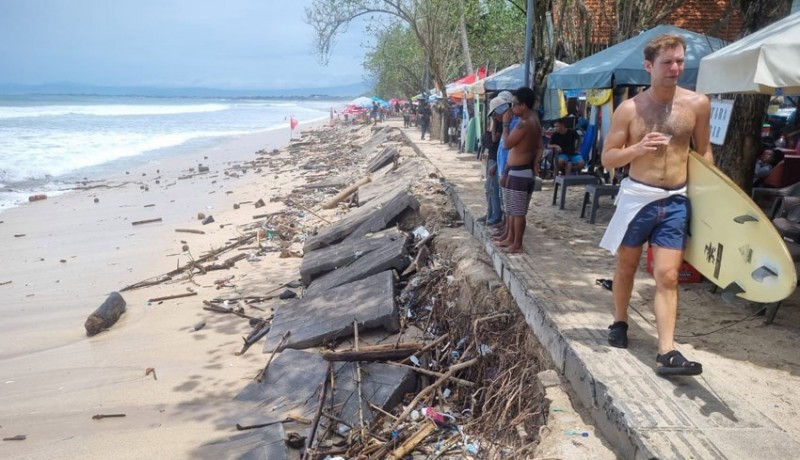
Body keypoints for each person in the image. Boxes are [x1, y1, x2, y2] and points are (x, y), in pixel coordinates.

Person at [599, 34, 712, 376]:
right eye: (667, 62)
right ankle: (620, 321)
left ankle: (667, 351)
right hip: (638, 199)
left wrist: (707, 196)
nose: (675, 68)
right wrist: (637, 149)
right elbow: (608, 158)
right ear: (649, 66)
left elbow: (704, 151)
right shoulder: (630, 109)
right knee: (627, 267)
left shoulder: (697, 104)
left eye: (680, 61)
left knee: (668, 275)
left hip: (676, 200)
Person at [495, 87, 543, 254]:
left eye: (514, 104)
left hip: (520, 172)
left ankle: (517, 244)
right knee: (513, 210)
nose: (512, 108)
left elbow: (508, 144)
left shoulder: (524, 123)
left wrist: (506, 124)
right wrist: (535, 162)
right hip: (520, 170)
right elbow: (539, 147)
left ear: (523, 105)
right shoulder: (534, 120)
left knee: (517, 212)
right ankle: (511, 239)